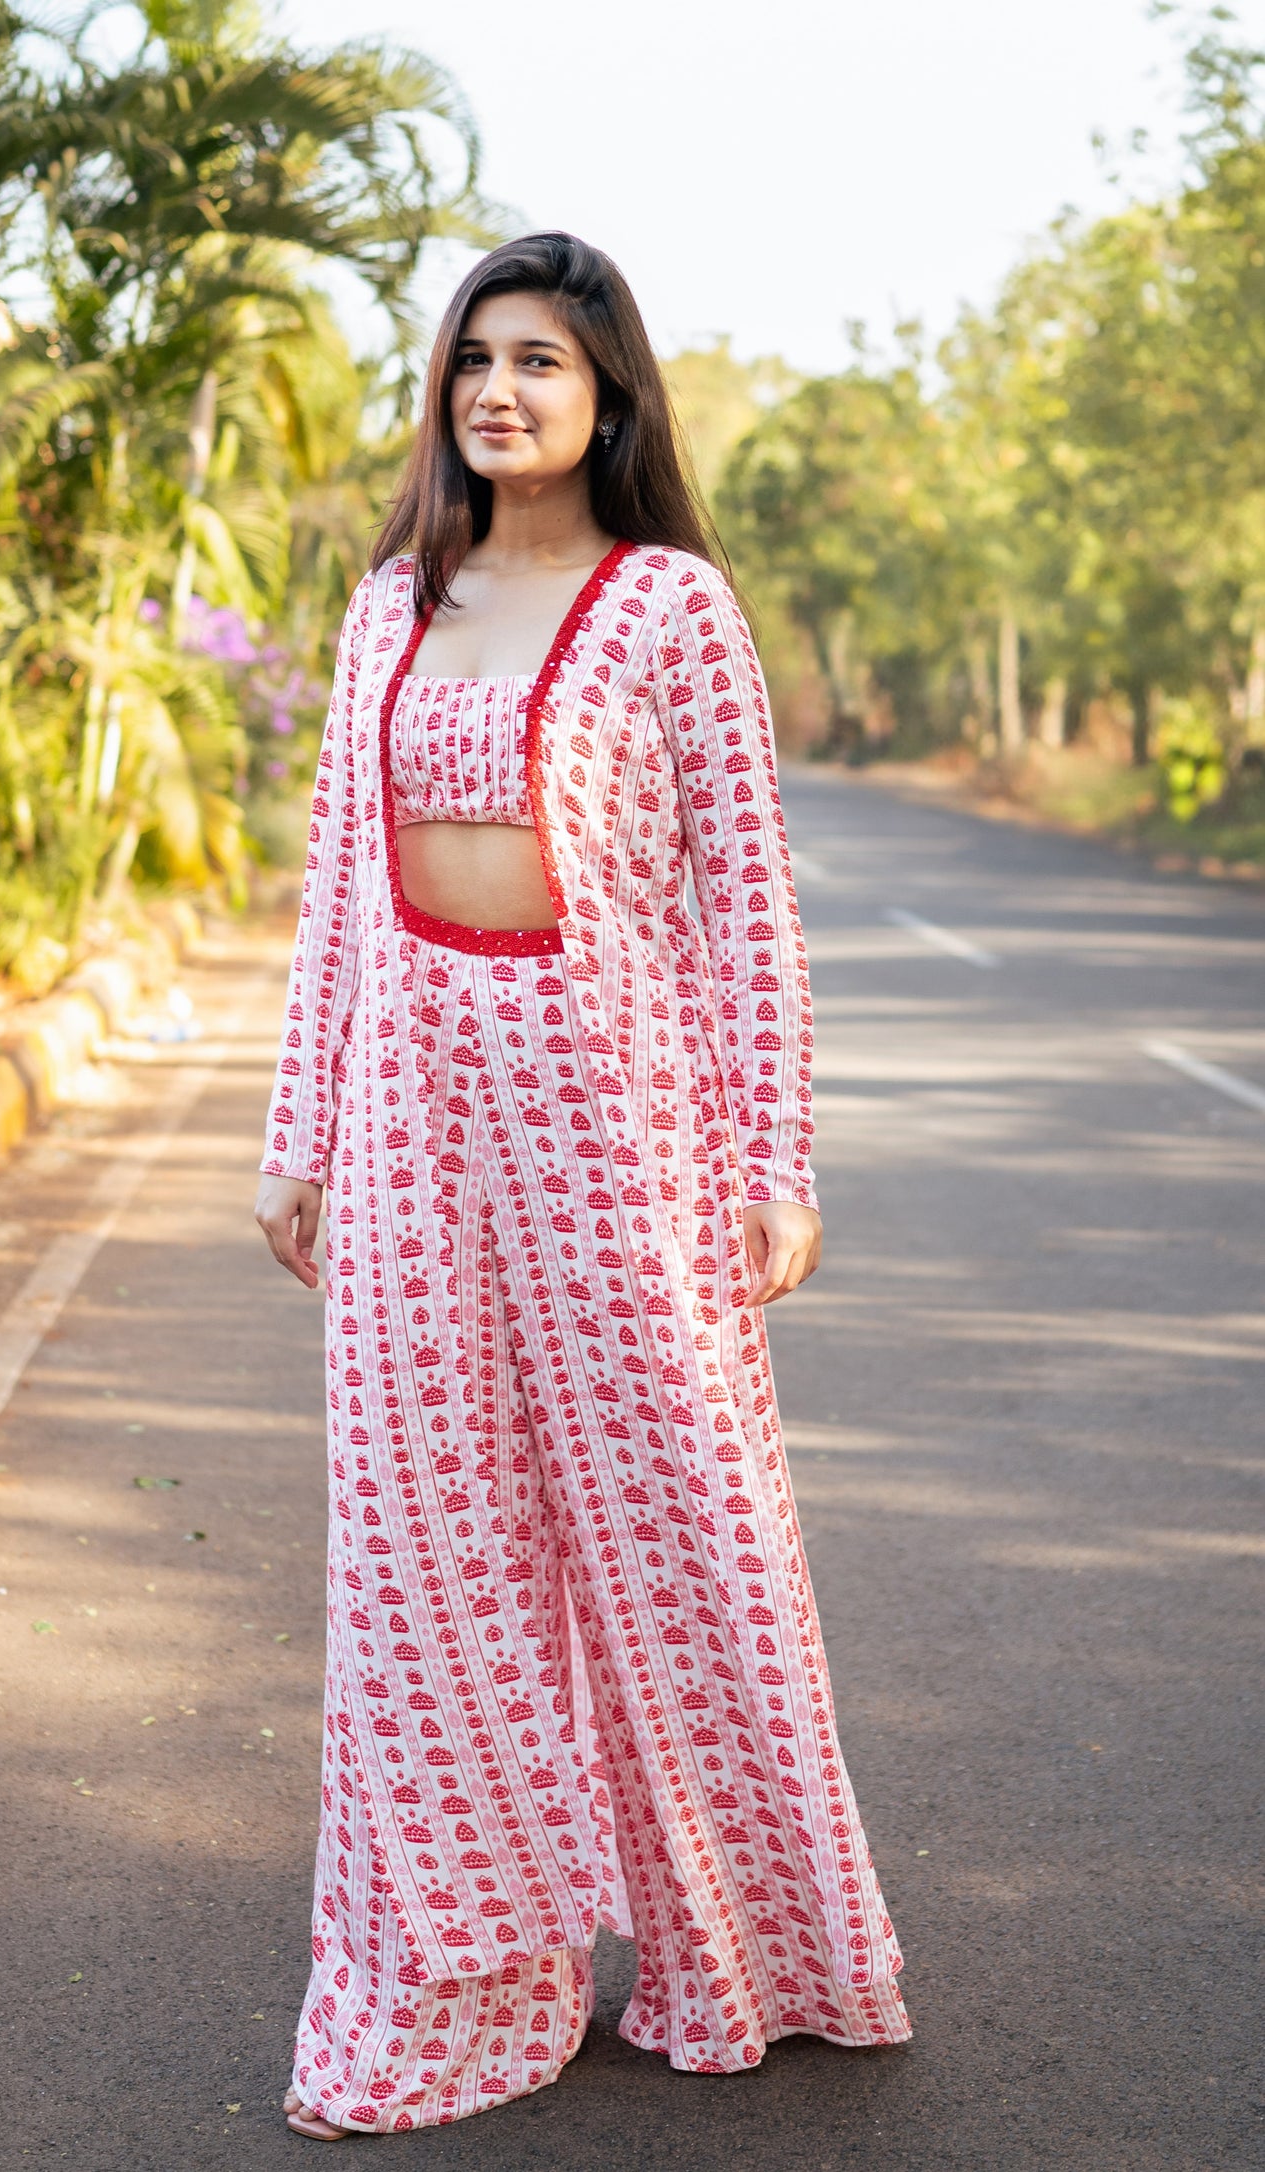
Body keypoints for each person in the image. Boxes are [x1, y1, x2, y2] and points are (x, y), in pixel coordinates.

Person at [255, 232, 909, 2141]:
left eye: (541, 360)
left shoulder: (671, 608)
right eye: (475, 358)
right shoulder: (394, 601)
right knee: (418, 1554)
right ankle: (456, 1984)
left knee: (684, 1526)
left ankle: (761, 1950)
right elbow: (330, 905)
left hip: (617, 1119)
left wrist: (769, 1160)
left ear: (608, 393)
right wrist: (301, 1133)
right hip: (406, 1115)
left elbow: (746, 908)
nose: (501, 392)